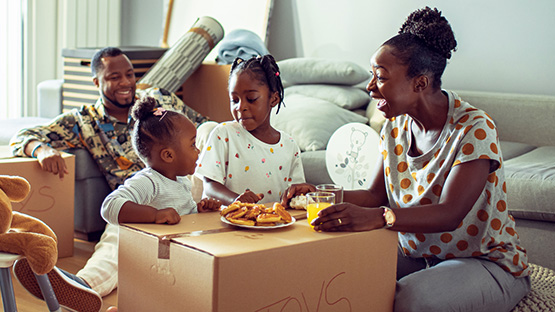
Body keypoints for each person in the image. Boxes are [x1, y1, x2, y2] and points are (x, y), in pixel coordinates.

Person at [282, 7, 530, 312]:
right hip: (417, 256)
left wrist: (381, 217)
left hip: (484, 263)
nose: (371, 87)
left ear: (420, 84)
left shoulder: (474, 129)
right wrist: (319, 193)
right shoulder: (395, 125)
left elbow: (450, 213)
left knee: (410, 301)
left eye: (380, 78)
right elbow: (375, 195)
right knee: (336, 274)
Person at [9, 47, 208, 312]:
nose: (126, 83)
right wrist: (43, 149)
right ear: (96, 82)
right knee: (117, 240)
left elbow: (204, 127)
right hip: (139, 200)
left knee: (213, 130)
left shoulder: (159, 98)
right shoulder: (83, 120)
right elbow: (24, 134)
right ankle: (78, 287)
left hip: (189, 182)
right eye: (115, 77)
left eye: (129, 74)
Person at [195, 55, 305, 205]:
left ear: (273, 99)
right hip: (229, 223)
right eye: (234, 100)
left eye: (251, 98)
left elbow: (295, 193)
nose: (240, 107)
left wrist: (301, 193)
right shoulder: (223, 134)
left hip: (270, 224)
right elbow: (209, 186)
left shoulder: (289, 146)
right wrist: (236, 200)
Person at [101, 96, 221, 225]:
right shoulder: (149, 182)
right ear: (168, 155)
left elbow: (183, 219)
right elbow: (109, 206)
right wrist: (155, 215)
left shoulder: (182, 182)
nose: (197, 150)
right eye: (193, 145)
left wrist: (199, 212)